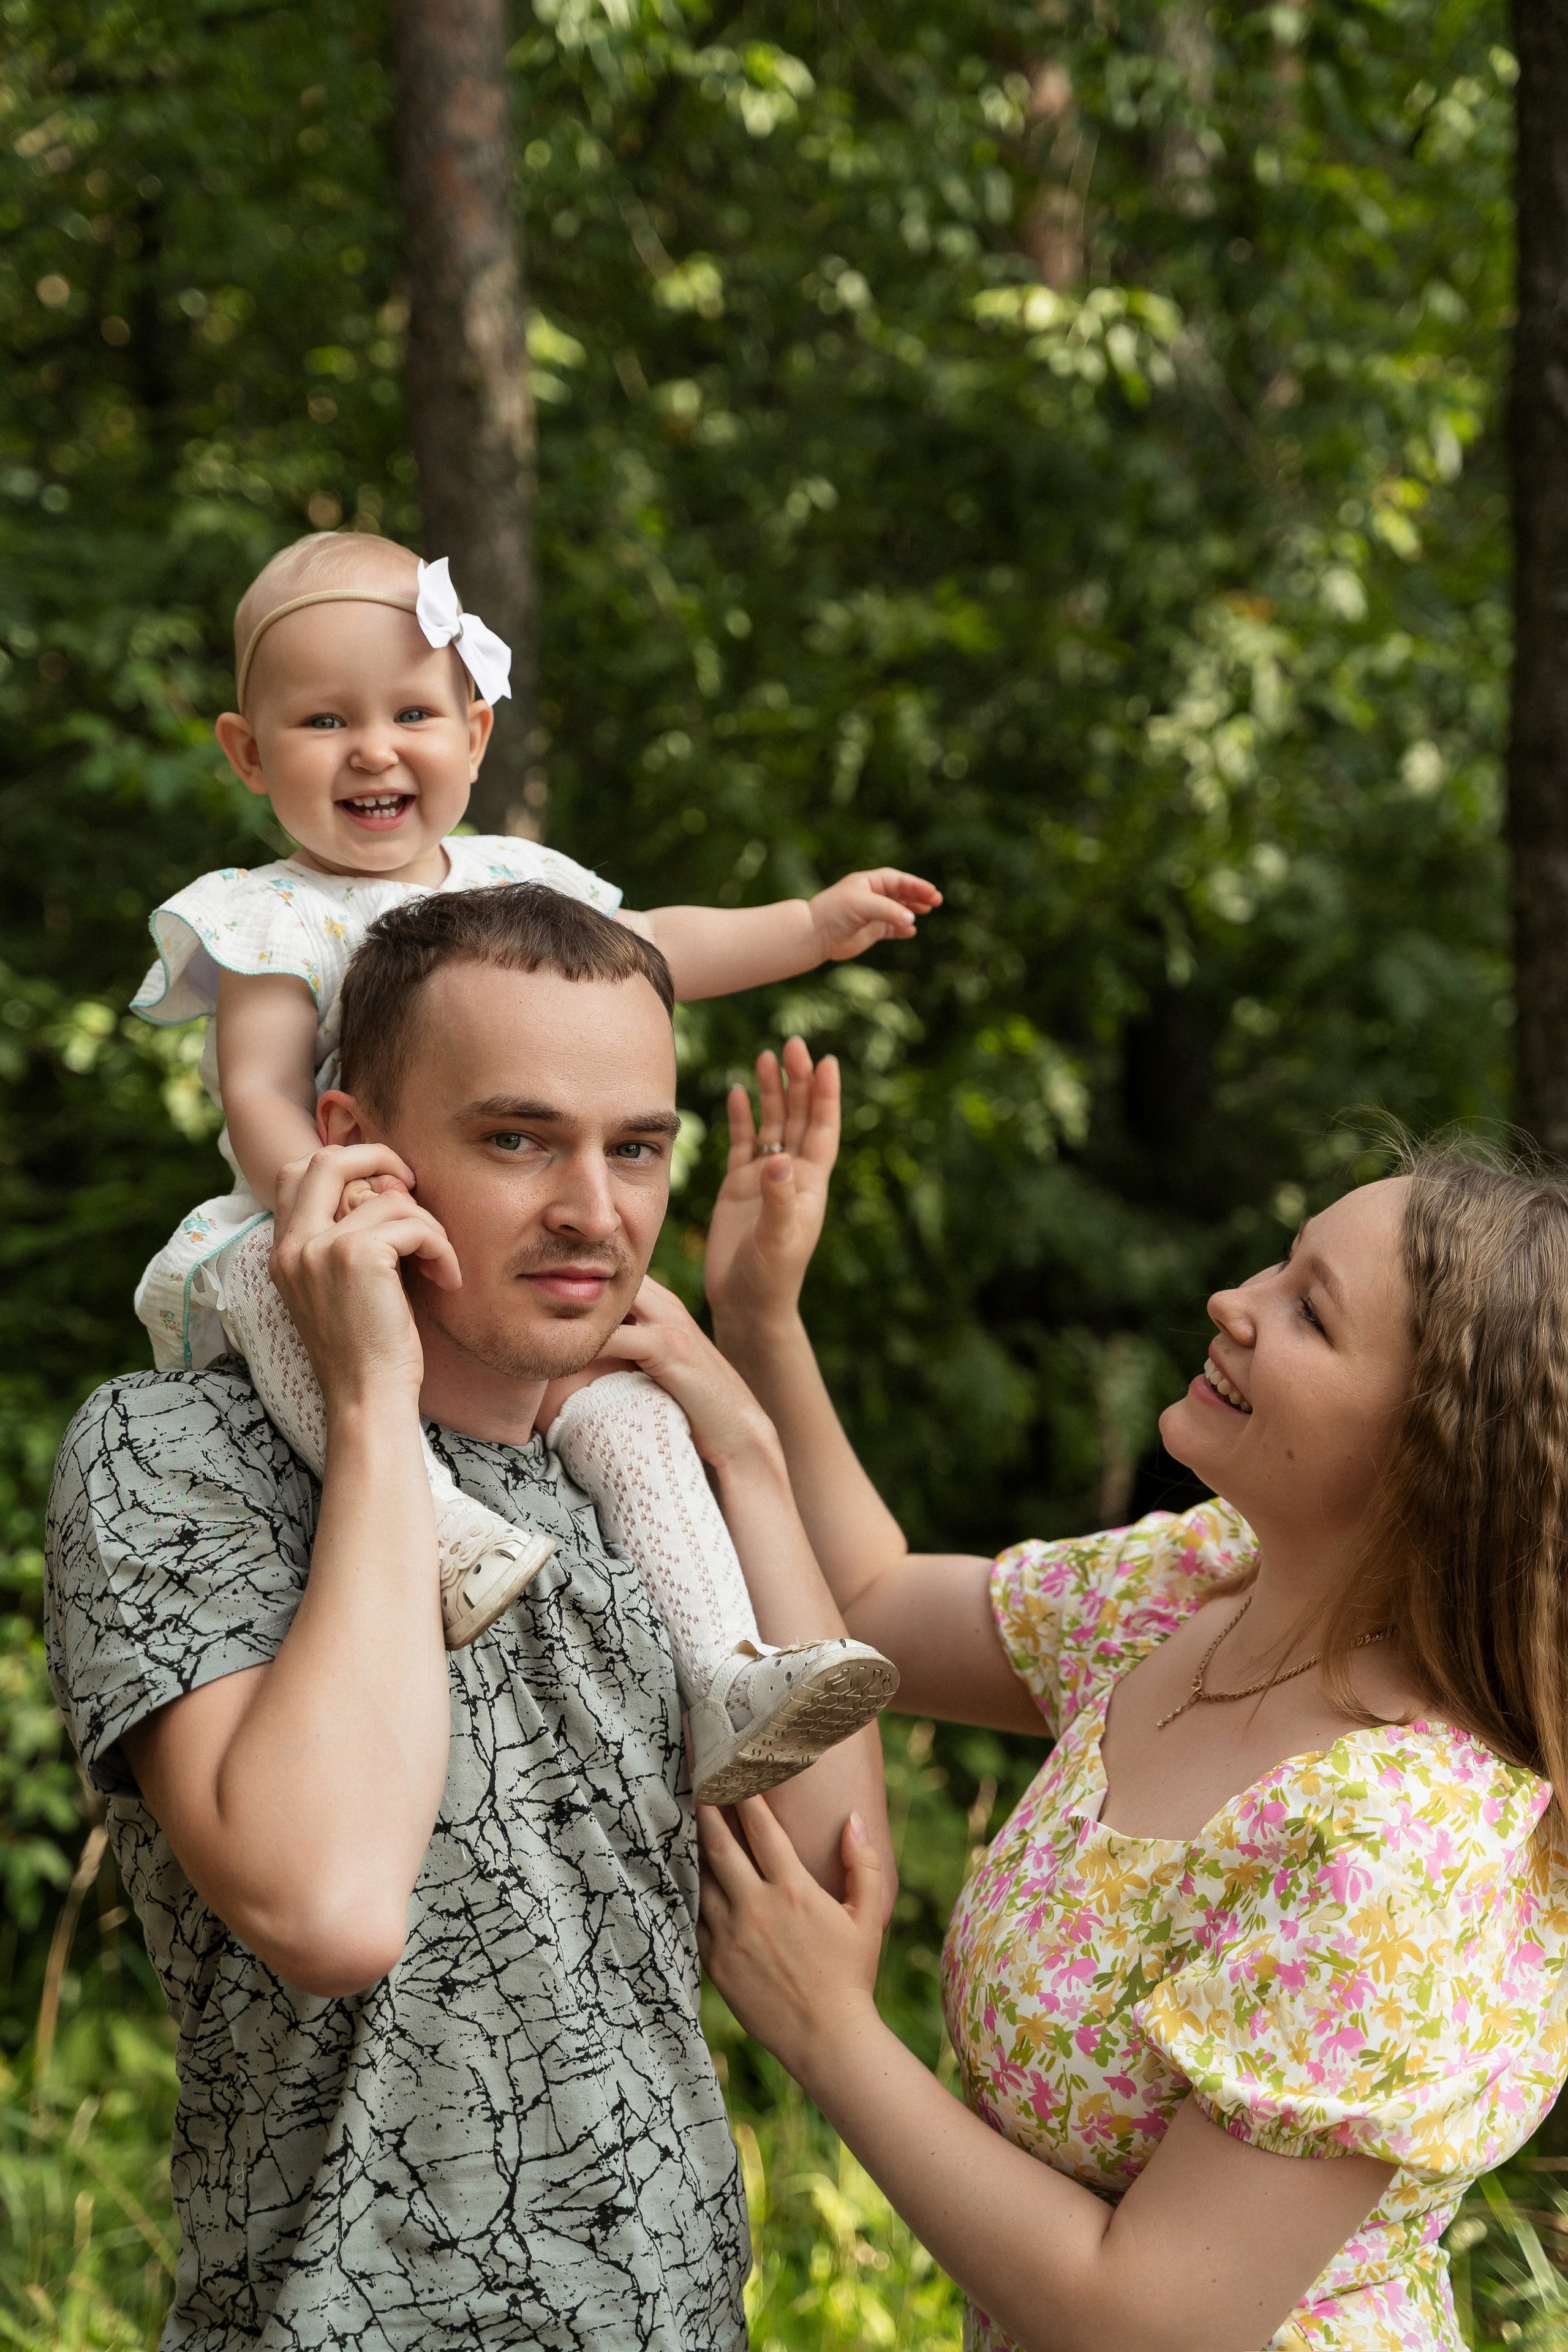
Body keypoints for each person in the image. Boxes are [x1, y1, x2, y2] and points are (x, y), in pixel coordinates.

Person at [44, 888, 892, 2350]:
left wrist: (747, 1449)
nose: (595, 1212)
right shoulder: (169, 1450)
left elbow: (824, 1885)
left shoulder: (645, 1494)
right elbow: (327, 1911)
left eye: (636, 1147)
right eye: (516, 1139)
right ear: (349, 1146)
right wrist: (371, 1400)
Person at [697, 1047, 1568, 2352]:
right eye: (1278, 1265)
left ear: (1432, 1450)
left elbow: (1146, 2323)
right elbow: (870, 1598)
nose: (1233, 1301)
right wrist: (760, 1319)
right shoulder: (1202, 1586)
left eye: (1309, 1313)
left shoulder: (1402, 1849)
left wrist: (826, 2028)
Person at [127, 527, 925, 1795]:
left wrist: (807, 927)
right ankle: (432, 1523)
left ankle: (728, 1668)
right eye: (325, 720)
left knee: (631, 1407)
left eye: (411, 713)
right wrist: (326, 1207)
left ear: (475, 733)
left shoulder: (517, 881)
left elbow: (661, 946)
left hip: (483, 1248)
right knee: (270, 1284)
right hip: (327, 1213)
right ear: (248, 752)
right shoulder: (265, 913)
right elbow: (265, 1094)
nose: (373, 749)